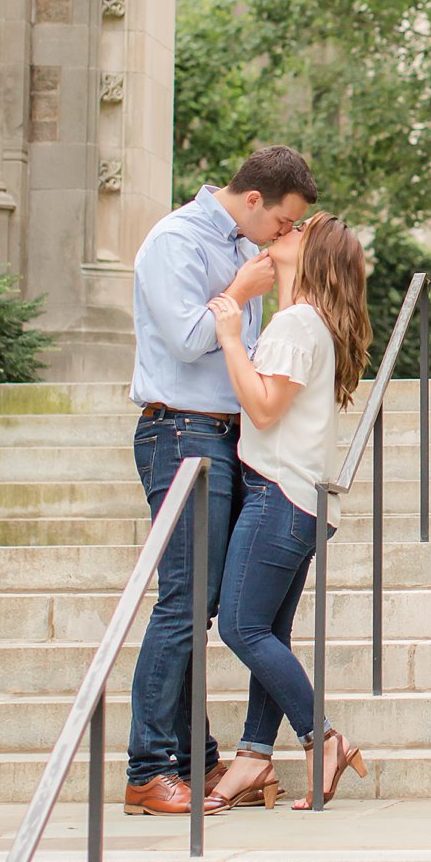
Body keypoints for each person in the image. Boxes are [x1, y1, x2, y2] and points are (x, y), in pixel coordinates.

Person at [123, 147, 317, 816]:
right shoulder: (175, 239)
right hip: (179, 433)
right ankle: (148, 766)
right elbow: (183, 338)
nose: (286, 235)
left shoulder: (249, 250)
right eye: (285, 221)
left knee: (202, 606)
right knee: (182, 603)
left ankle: (196, 760)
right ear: (255, 199)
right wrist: (239, 294)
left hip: (226, 438)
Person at [205, 214, 372, 811]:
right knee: (269, 633)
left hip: (279, 495)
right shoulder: (312, 324)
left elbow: (266, 408)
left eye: (299, 228)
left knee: (240, 628)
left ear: (312, 255)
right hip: (302, 501)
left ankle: (321, 738)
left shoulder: (296, 325)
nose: (285, 228)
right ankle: (253, 758)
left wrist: (229, 334)